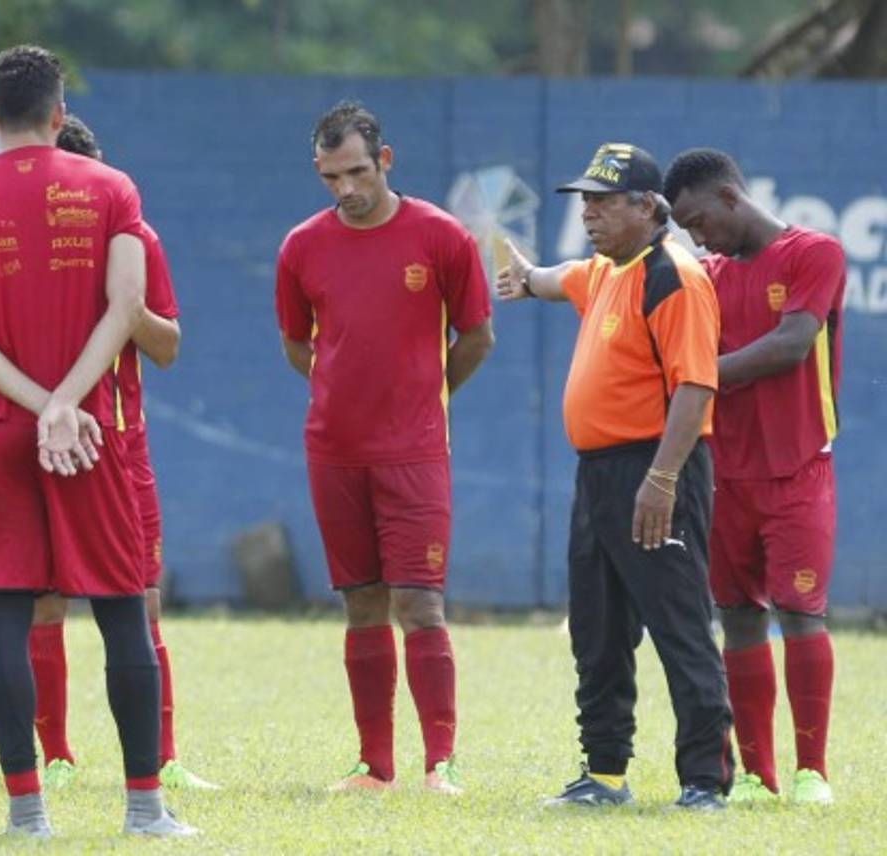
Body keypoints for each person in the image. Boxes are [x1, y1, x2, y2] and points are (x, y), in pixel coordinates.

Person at [0, 45, 195, 838]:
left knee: (6, 615)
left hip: (0, 432)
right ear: (59, 114)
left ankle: (27, 813)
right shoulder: (112, 189)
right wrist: (69, 404)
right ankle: (143, 809)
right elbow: (125, 308)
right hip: (91, 433)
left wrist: (40, 406)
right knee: (122, 612)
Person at [496, 143, 734, 810]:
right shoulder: (605, 269)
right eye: (585, 201)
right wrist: (525, 276)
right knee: (596, 631)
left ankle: (704, 781)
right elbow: (556, 278)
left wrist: (660, 481)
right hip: (598, 476)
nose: (589, 213)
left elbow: (695, 387)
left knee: (679, 625)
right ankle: (603, 774)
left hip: (657, 469)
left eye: (603, 201)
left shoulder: (674, 277)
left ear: (648, 207)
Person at [275, 101, 494, 794]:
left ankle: (440, 766)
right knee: (361, 604)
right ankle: (375, 767)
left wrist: (425, 395)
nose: (346, 188)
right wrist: (341, 392)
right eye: (331, 177)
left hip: (415, 454)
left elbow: (477, 337)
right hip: (333, 453)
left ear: (386, 160)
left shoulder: (442, 236)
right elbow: (296, 344)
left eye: (358, 172)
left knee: (420, 604)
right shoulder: (301, 247)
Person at [25, 114, 217, 791]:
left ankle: (162, 757)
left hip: (121, 446)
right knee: (44, 601)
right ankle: (56, 757)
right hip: (39, 442)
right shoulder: (18, 246)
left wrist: (128, 308)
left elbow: (167, 349)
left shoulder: (137, 240)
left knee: (142, 601)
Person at [663, 148, 843, 806]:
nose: (696, 237)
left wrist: (699, 376)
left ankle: (811, 772)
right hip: (724, 473)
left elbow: (792, 344)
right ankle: (757, 777)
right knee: (739, 619)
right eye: (684, 228)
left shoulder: (813, 252)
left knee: (800, 613)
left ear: (730, 197)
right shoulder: (705, 277)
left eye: (699, 221)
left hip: (798, 468)